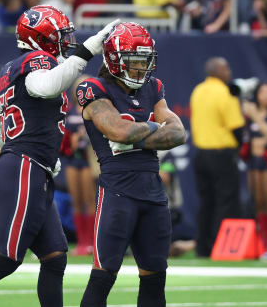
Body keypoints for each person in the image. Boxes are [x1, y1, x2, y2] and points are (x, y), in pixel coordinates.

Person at [0, 5, 119, 307]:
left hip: (28, 167)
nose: (64, 41)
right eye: (59, 36)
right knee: (6, 258)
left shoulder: (14, 68)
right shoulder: (38, 62)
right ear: (41, 39)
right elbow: (45, 86)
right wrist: (86, 51)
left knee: (55, 255)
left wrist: (37, 150)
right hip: (23, 168)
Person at [77, 22, 186, 306]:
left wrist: (138, 134)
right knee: (102, 278)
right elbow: (118, 131)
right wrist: (153, 127)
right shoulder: (93, 87)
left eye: (145, 60)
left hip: (153, 191)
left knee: (154, 280)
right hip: (117, 191)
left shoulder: (154, 87)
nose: (141, 68)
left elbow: (178, 133)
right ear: (114, 59)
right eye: (135, 61)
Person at [190, 57, 245, 257]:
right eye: (226, 68)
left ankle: (202, 247)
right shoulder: (225, 92)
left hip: (201, 155)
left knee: (207, 202)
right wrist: (241, 147)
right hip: (221, 154)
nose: (229, 72)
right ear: (219, 71)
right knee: (226, 201)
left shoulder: (198, 90)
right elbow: (236, 127)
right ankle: (220, 246)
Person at [243, 83, 267, 254]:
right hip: (254, 162)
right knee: (258, 202)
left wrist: (256, 116)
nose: (265, 96)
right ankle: (262, 243)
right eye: (262, 92)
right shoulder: (249, 115)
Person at [62, 76, 95, 256]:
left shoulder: (95, 109)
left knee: (90, 201)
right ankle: (81, 243)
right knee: (76, 201)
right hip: (72, 160)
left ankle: (91, 243)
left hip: (88, 160)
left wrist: (86, 136)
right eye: (79, 88)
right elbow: (65, 138)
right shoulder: (70, 111)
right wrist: (71, 141)